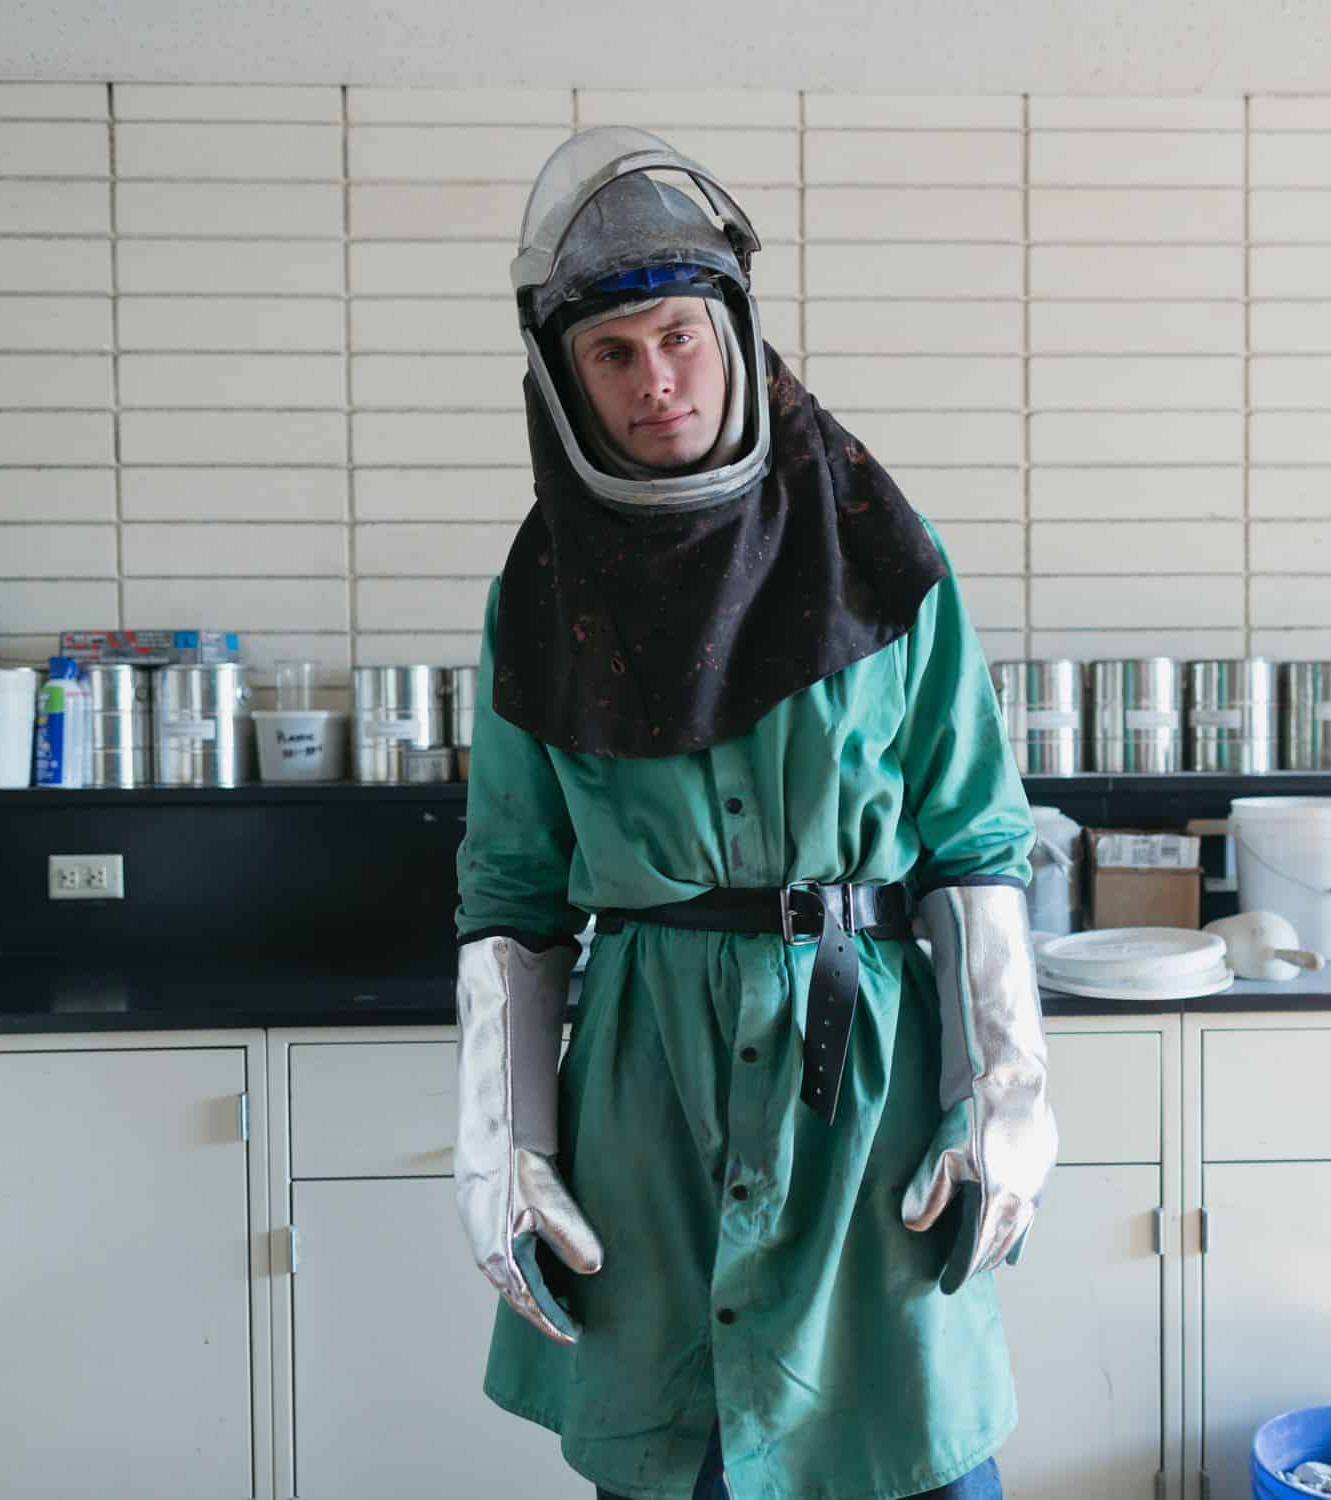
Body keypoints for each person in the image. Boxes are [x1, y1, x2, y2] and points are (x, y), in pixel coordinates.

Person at [452, 126, 1060, 1500]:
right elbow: (510, 890)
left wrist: (1004, 1094)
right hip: (642, 1097)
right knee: (682, 1459)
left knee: (915, 1450)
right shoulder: (541, 590)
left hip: (867, 1096)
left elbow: (971, 841)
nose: (652, 378)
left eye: (676, 334)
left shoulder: (879, 549)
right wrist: (505, 1141)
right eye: (610, 353)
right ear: (564, 377)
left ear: (732, 332)